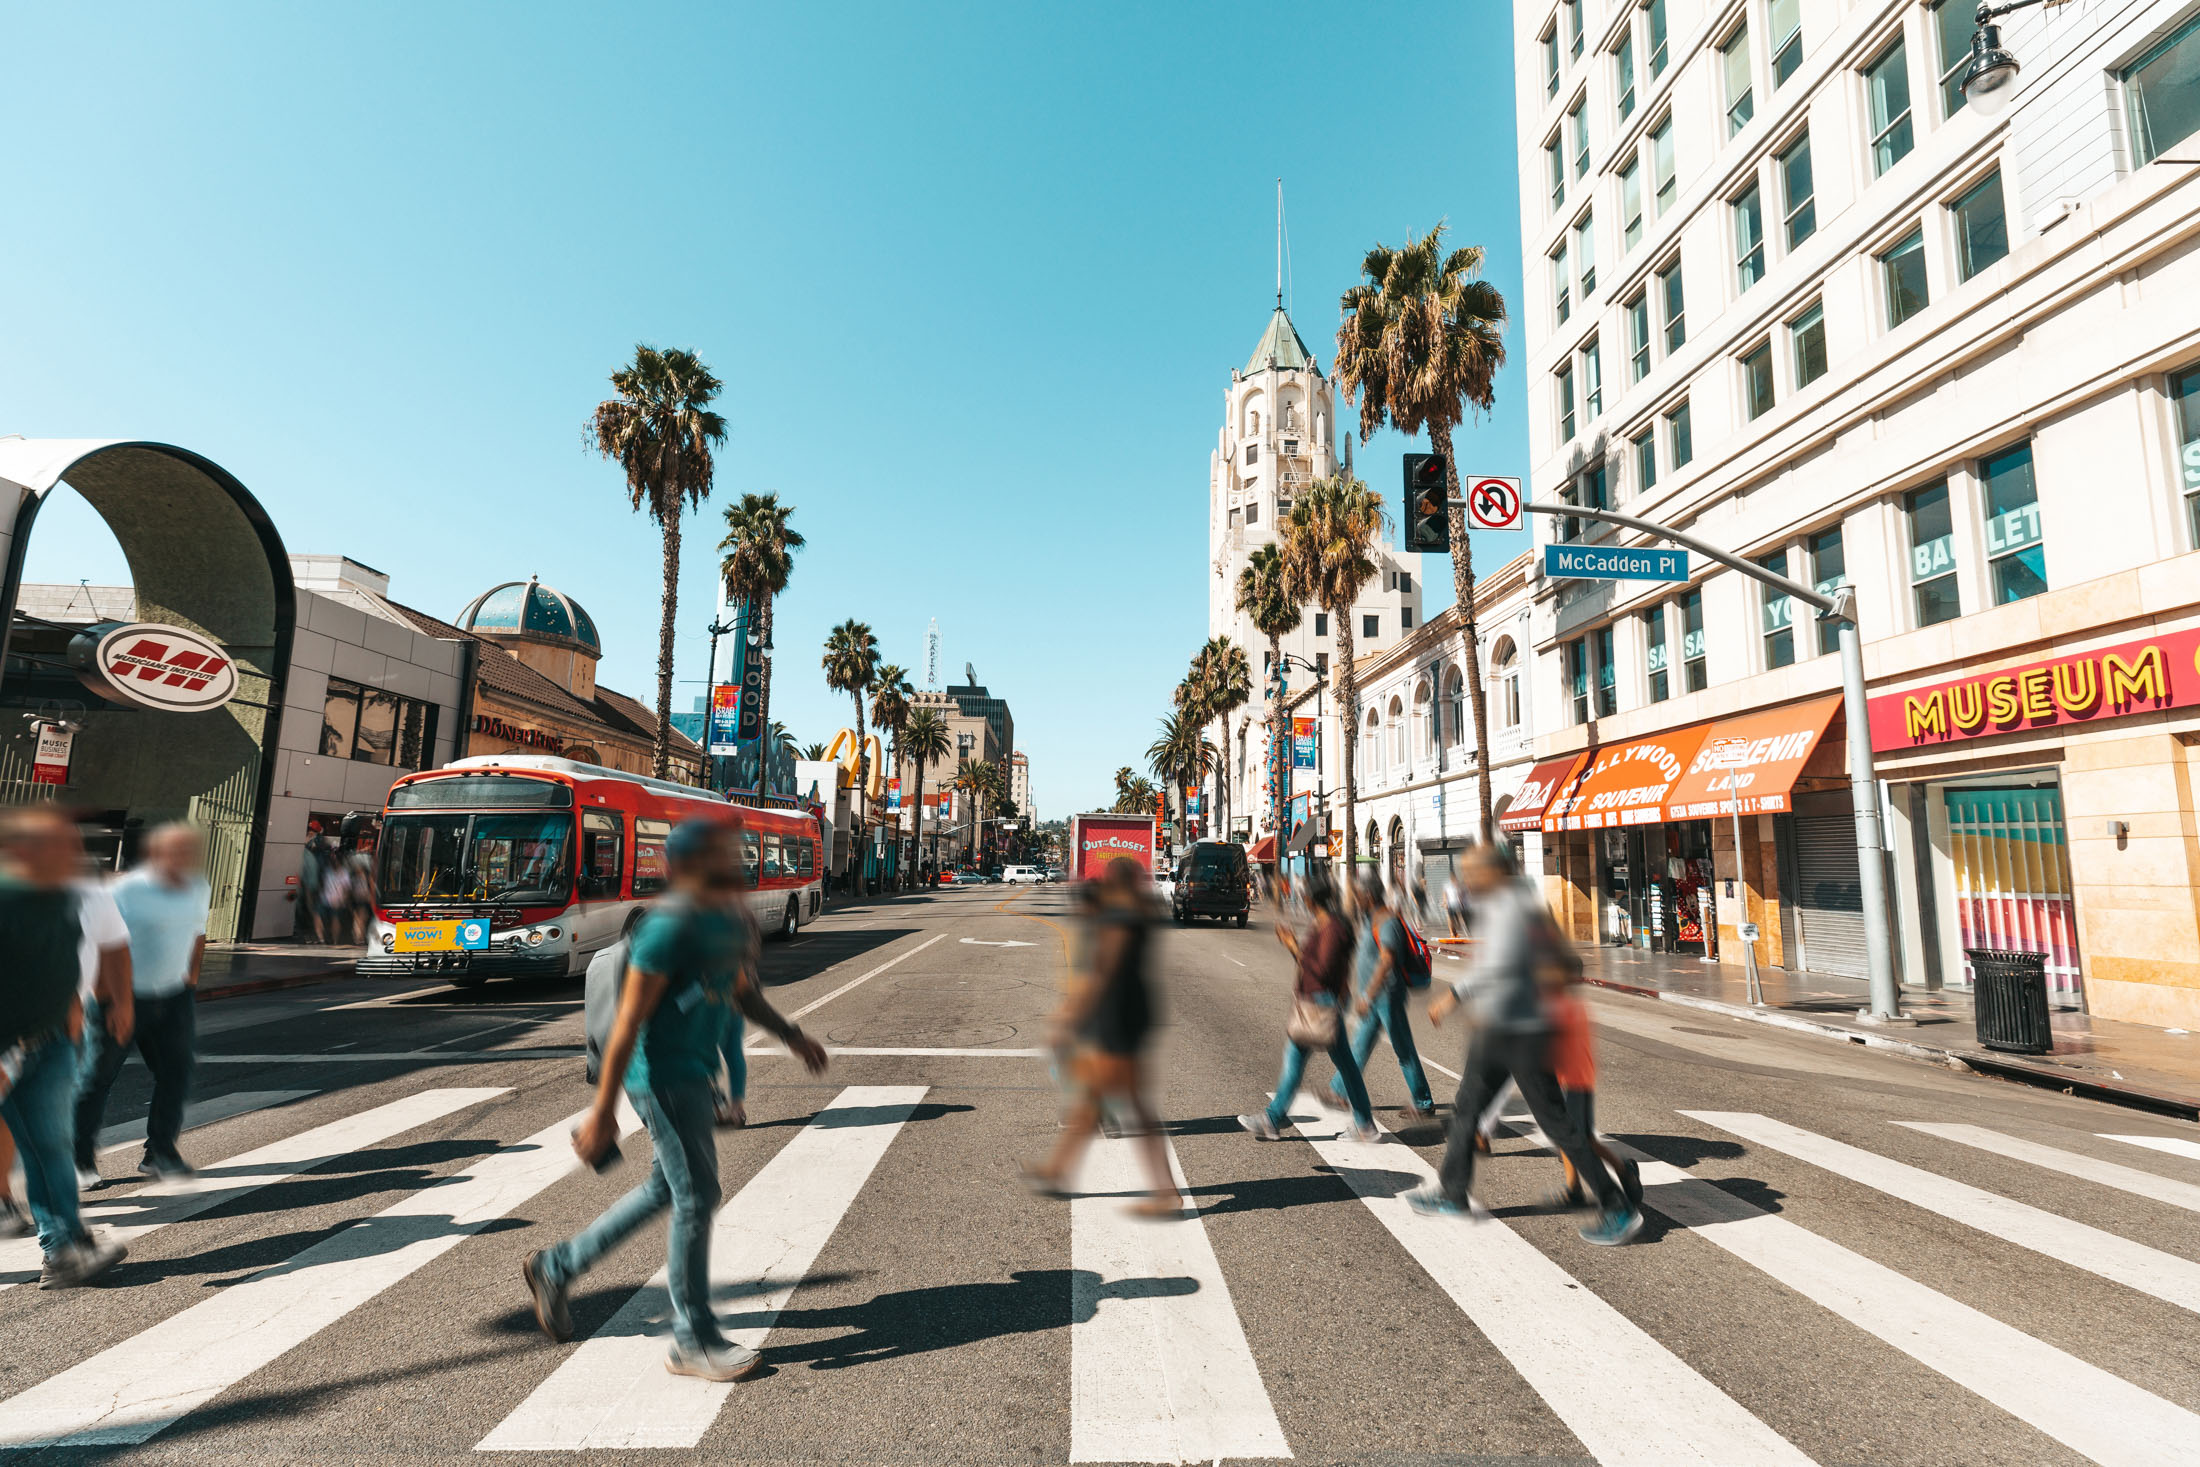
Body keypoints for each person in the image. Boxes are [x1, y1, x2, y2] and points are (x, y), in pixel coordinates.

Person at [525, 816, 827, 1380]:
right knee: (697, 1196)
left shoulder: (724, 923)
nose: (735, 865)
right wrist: (602, 1115)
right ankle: (691, 1339)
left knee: (669, 1187)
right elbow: (627, 1025)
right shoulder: (667, 928)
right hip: (659, 1076)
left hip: (692, 1072)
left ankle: (558, 1266)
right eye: (722, 857)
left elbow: (742, 994)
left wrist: (790, 1035)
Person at [1410, 844, 1643, 1246]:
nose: (1466, 880)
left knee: (1558, 1124)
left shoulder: (1508, 906)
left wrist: (1455, 996)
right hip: (1503, 1029)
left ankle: (1616, 1204)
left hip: (1519, 1031)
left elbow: (1501, 964)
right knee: (1467, 1107)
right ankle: (1452, 1192)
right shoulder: (1514, 901)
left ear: (1493, 872)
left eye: (1472, 872)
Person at [0, 808, 126, 1287]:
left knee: (49, 1145)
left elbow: (59, 962)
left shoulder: (62, 899)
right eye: (61, 845)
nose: (75, 854)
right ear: (20, 852)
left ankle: (64, 1249)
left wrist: (69, 1007)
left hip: (49, 1043)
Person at [1019, 859, 1179, 1214]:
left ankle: (1166, 1192)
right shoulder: (1136, 914)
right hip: (1127, 1018)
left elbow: (1103, 973)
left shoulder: (1121, 919)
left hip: (1118, 1022)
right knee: (1097, 1105)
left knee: (1125, 1109)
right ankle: (1056, 1171)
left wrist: (1068, 1017)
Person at [77, 824, 209, 1182]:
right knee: (97, 1077)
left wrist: (189, 980)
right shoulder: (125, 890)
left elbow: (198, 933)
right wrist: (105, 995)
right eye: (176, 851)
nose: (185, 859)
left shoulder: (198, 887)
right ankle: (79, 1159)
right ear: (156, 853)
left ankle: (160, 1152)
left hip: (173, 996)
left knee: (176, 1074)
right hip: (121, 996)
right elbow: (97, 939)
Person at [1238, 871, 1380, 1145]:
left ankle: (1273, 1119)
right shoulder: (1326, 923)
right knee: (1338, 1066)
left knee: (1319, 1065)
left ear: (1312, 898)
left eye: (1304, 895)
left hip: (1320, 1004)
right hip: (1316, 1003)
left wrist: (1292, 944)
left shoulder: (1333, 928)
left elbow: (1321, 970)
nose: (1302, 898)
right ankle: (1364, 1126)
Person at [1333, 872, 1437, 1121]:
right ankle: (1338, 1091)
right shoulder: (1372, 917)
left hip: (1387, 994)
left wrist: (1368, 994)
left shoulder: (1387, 920)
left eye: (1358, 895)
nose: (1355, 899)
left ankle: (1423, 1102)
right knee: (1360, 1046)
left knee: (1403, 1050)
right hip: (1377, 996)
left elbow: (1388, 958)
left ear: (1368, 895)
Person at [1543, 979, 1642, 1211]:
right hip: (1565, 1081)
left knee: (1578, 1138)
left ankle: (1621, 1169)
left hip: (1574, 1082)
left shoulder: (1564, 1007)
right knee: (1569, 1137)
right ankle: (1574, 1188)